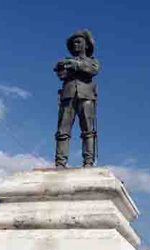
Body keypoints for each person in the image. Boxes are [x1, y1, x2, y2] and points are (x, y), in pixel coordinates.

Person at [54, 30, 100, 168]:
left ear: (86, 45)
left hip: (86, 97)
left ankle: (88, 162)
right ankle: (60, 163)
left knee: (88, 131)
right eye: (74, 42)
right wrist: (68, 66)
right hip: (68, 96)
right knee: (63, 130)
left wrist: (75, 65)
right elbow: (60, 73)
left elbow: (93, 70)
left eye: (79, 42)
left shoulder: (92, 61)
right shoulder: (65, 61)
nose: (76, 44)